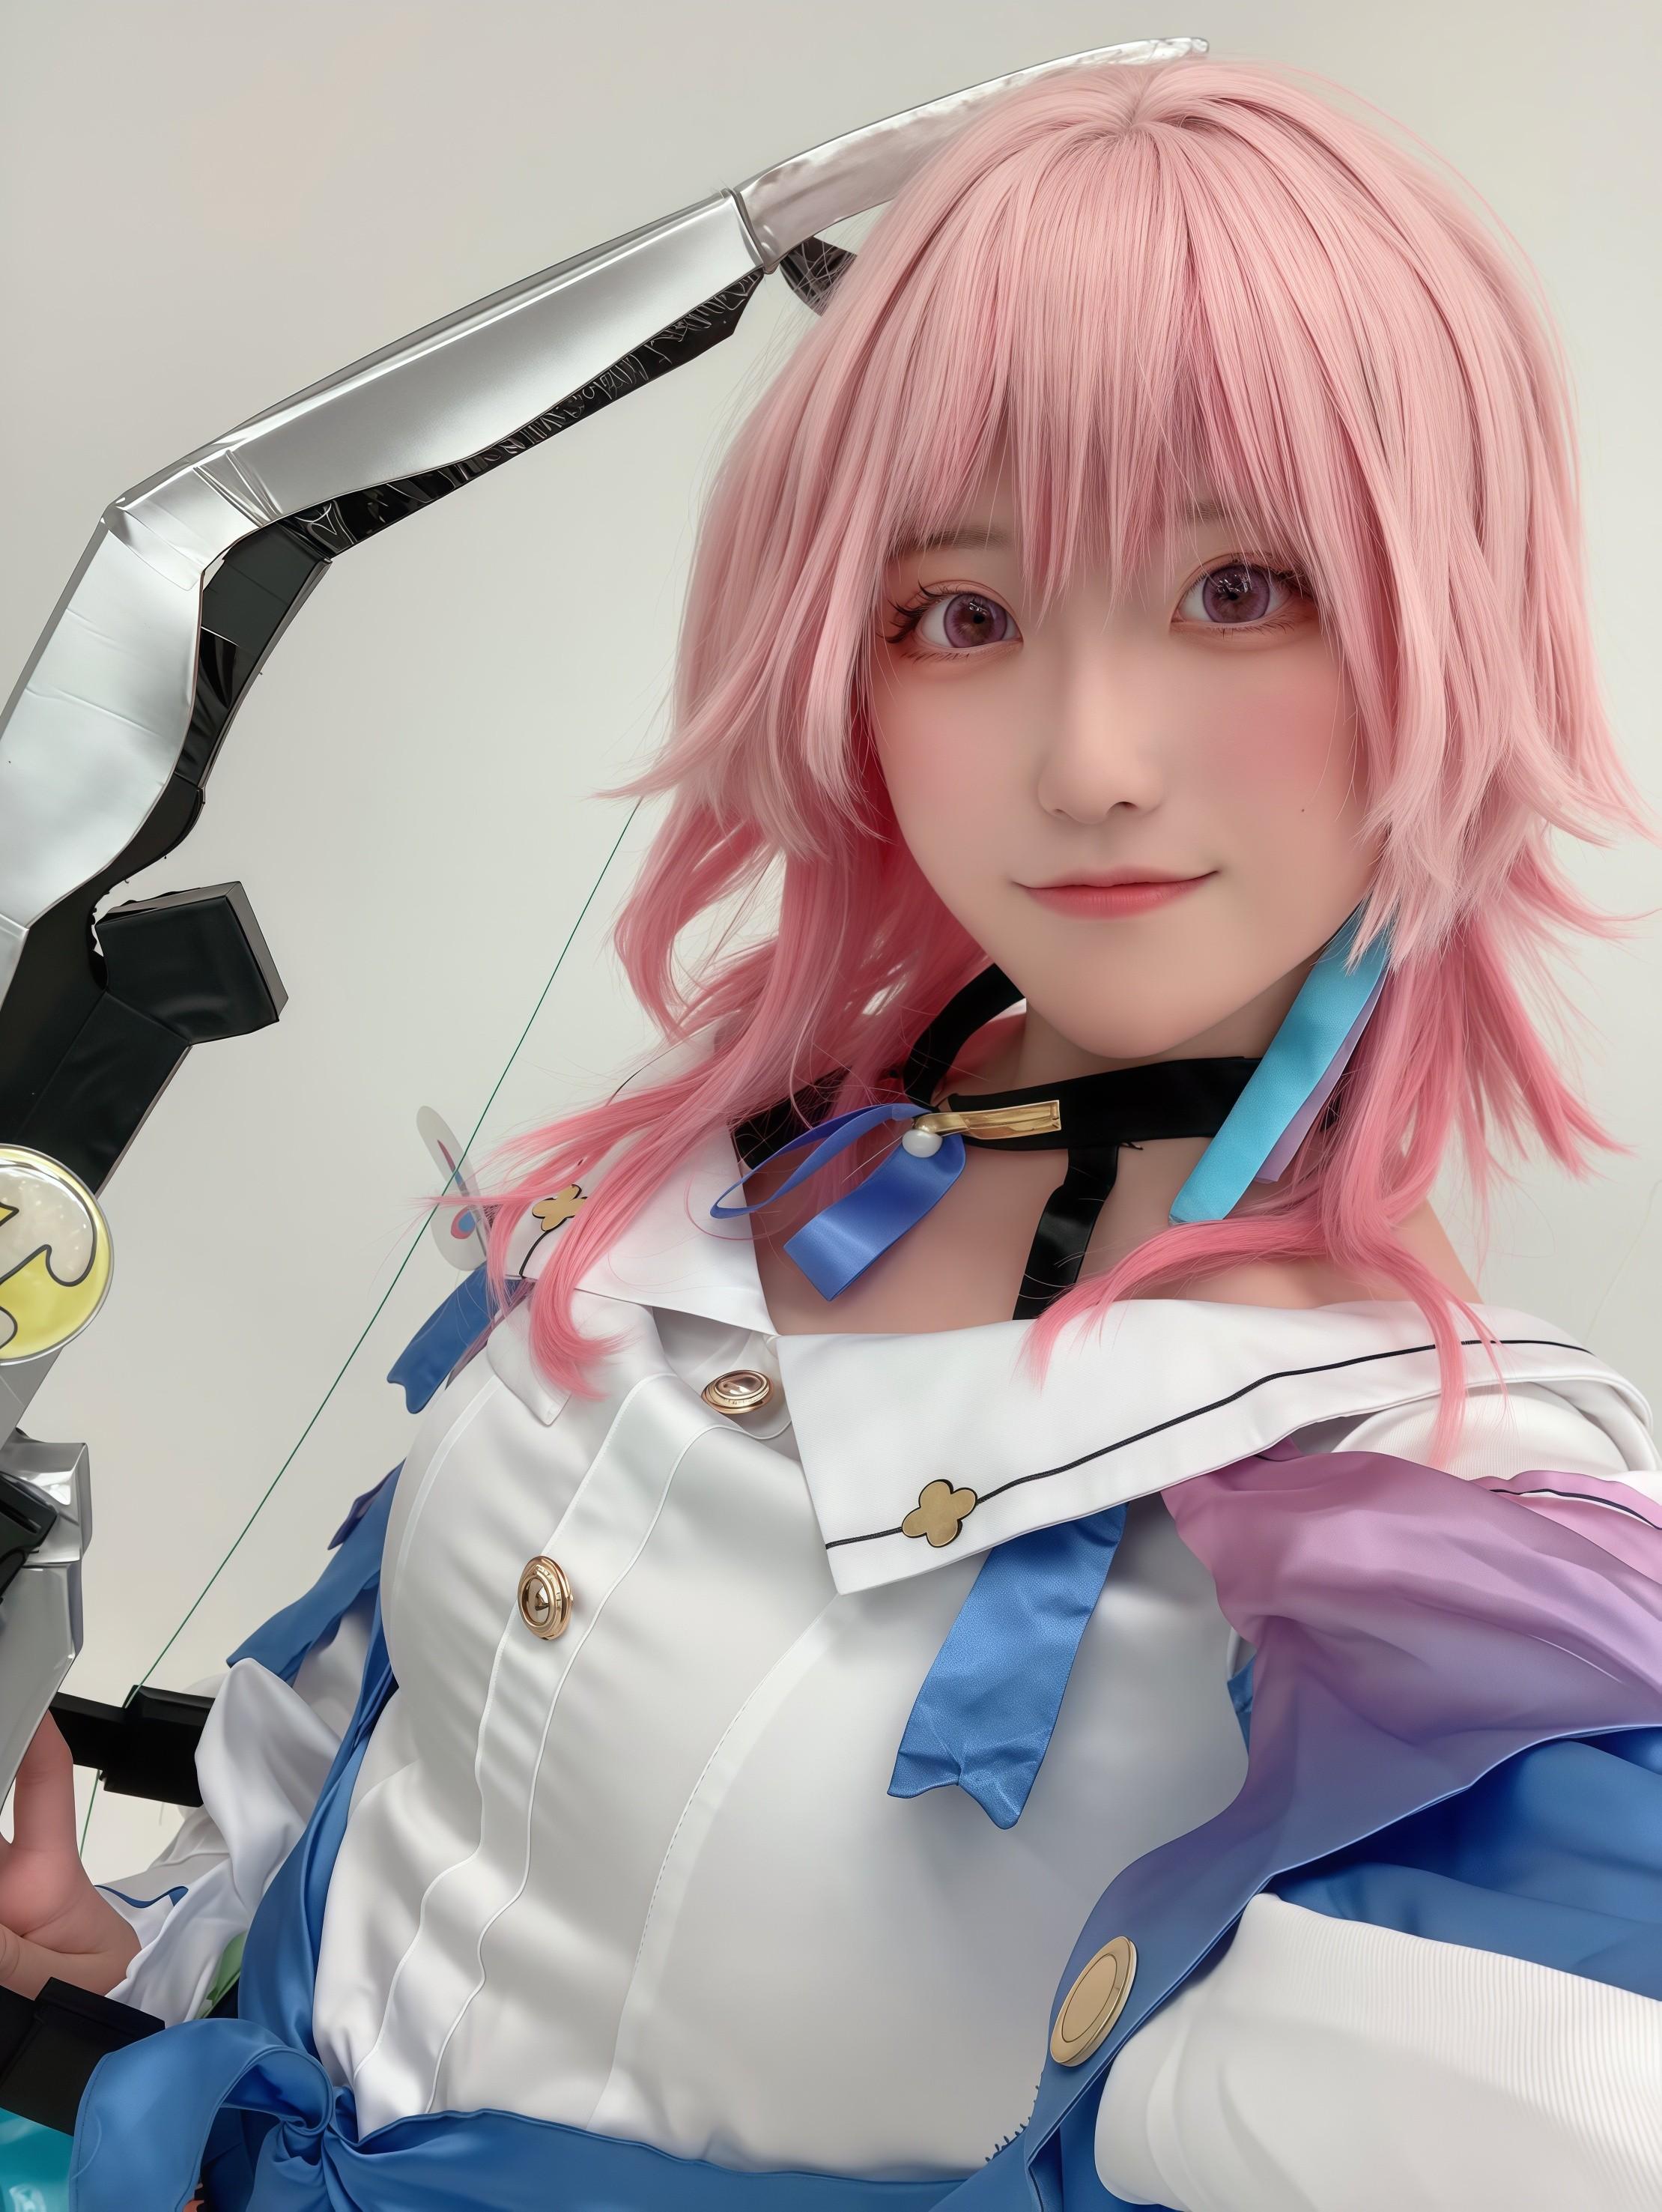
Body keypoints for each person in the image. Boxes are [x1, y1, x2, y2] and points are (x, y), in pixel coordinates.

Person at [5, 50, 1661, 2211]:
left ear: (1448, 626)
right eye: (964, 614)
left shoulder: (1452, 1525)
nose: (1088, 760)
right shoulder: (715, 1192)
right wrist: (113, 1959)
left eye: (1240, 590)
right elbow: (369, 1823)